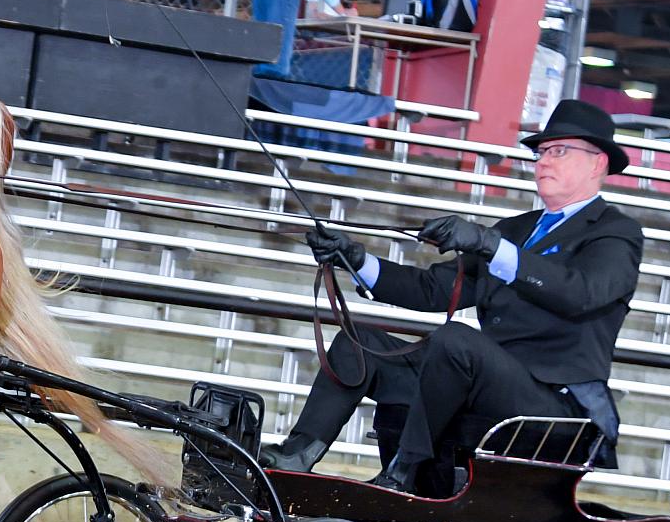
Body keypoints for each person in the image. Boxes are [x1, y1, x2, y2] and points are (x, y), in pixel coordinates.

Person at [261, 99, 642, 496]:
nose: (543, 161)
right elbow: (431, 290)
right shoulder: (515, 229)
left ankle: (404, 470)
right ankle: (299, 454)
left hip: (553, 404)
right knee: (359, 343)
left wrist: (490, 245)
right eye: (541, 152)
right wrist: (357, 260)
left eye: (558, 151)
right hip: (482, 383)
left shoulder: (615, 233)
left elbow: (580, 293)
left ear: (597, 163)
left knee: (455, 340)